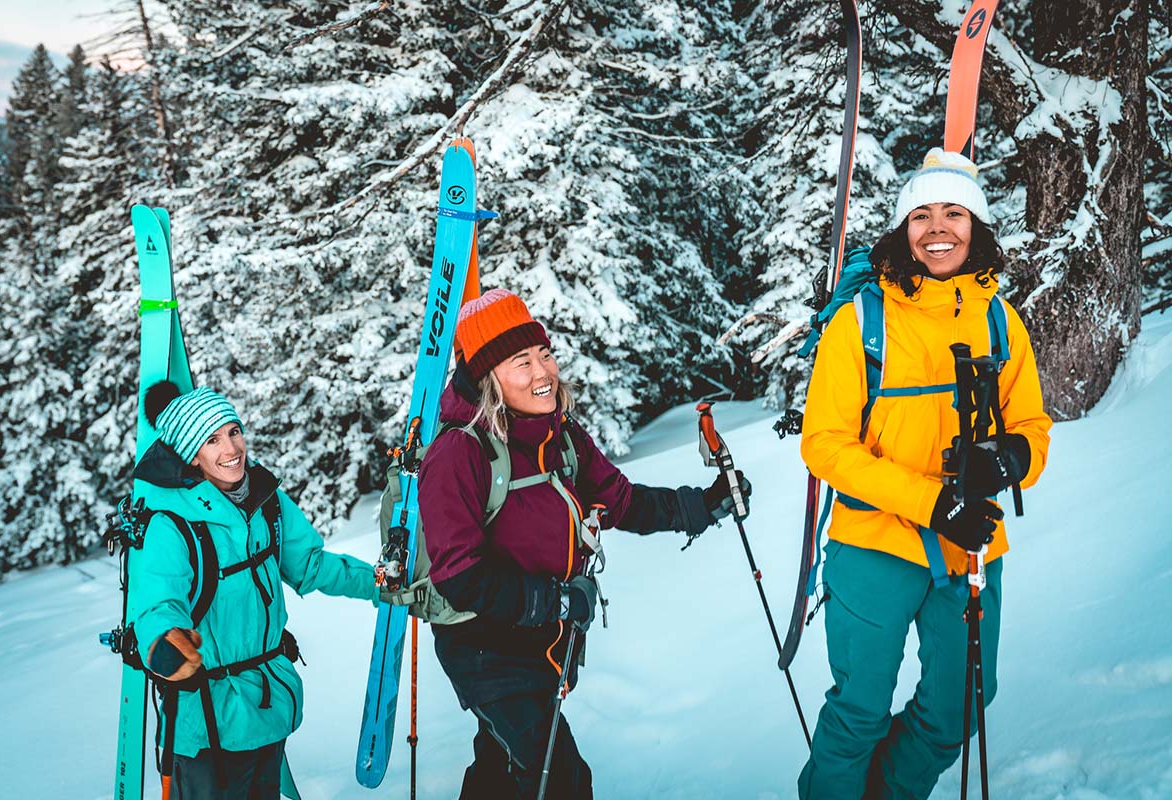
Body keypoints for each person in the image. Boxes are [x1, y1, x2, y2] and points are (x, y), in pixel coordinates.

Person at [418, 288, 752, 800]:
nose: (541, 372)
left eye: (544, 355)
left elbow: (621, 502)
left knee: (502, 769)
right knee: (561, 781)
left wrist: (702, 506)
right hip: (484, 650)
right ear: (488, 378)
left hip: (545, 642)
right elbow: (460, 577)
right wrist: (554, 600)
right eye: (520, 362)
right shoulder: (458, 453)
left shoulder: (560, 434)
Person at [797, 148, 1053, 798]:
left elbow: (1032, 427)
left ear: (977, 226)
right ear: (903, 228)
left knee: (960, 707)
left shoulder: (1000, 318)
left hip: (971, 546)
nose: (938, 228)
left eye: (954, 213)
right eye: (923, 215)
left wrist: (1006, 461)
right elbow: (824, 446)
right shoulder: (861, 324)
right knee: (857, 714)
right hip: (872, 545)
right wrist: (935, 504)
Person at [128, 382, 380, 799]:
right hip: (209, 722)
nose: (232, 447)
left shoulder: (266, 501)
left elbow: (312, 566)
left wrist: (378, 584)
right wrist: (167, 641)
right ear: (192, 455)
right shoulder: (171, 524)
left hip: (267, 702)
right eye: (212, 439)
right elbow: (158, 602)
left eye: (233, 431)